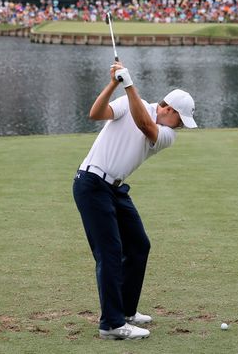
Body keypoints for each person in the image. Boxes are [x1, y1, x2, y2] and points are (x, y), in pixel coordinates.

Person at [72, 61, 197, 340]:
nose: (181, 127)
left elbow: (144, 124)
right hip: (91, 184)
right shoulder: (130, 100)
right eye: (181, 120)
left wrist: (129, 85)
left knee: (139, 245)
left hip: (115, 189)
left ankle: (126, 310)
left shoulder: (166, 134)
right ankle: (112, 324)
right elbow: (95, 113)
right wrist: (114, 84)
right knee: (110, 253)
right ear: (169, 110)